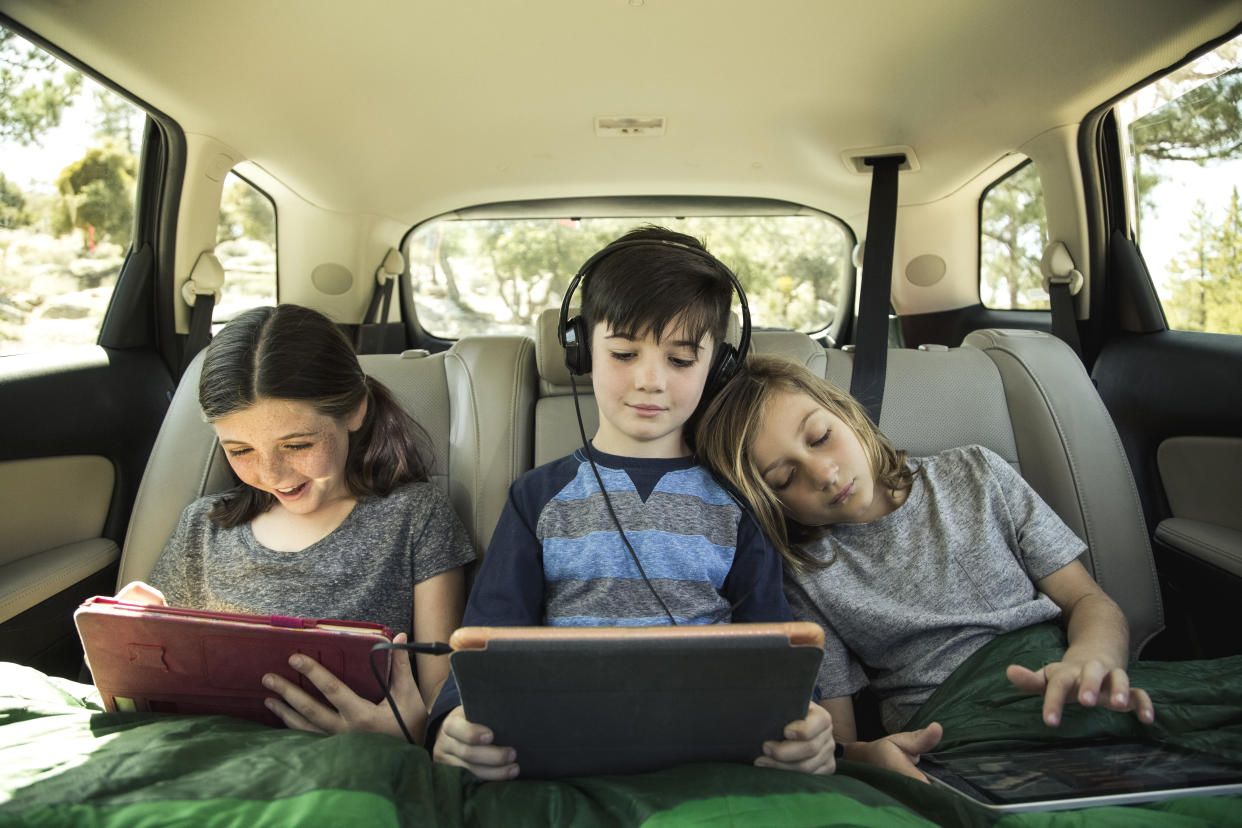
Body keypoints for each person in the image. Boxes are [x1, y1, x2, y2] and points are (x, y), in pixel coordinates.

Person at [428, 227, 836, 780]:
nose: (650, 381)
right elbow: (486, 639)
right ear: (581, 352)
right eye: (624, 352)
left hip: (713, 754)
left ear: (717, 366)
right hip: (563, 751)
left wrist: (804, 723)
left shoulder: (738, 499)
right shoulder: (537, 496)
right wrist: (452, 721)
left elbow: (775, 648)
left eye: (681, 359)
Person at [695, 353, 1156, 778]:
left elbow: (1089, 600)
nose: (824, 474)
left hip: (1068, 689)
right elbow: (838, 738)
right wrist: (871, 753)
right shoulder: (806, 574)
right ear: (769, 503)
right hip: (956, 737)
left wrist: (1093, 659)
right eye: (785, 477)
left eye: (821, 438)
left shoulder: (977, 473)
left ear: (848, 415)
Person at [115, 304, 475, 744]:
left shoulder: (415, 517)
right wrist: (127, 640)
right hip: (208, 752)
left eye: (298, 444)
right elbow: (148, 686)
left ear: (355, 411)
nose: (273, 475)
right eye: (241, 450)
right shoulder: (204, 527)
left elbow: (442, 696)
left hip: (349, 759)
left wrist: (410, 732)